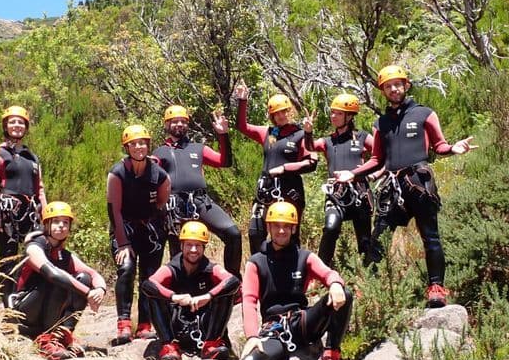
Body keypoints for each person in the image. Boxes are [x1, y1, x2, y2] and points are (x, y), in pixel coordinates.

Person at [334, 65, 477, 307]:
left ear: (406, 85)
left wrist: (454, 149)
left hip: (419, 182)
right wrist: (353, 174)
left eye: (397, 84)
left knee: (430, 236)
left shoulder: (424, 114)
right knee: (378, 236)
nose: (393, 89)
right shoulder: (381, 123)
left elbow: (439, 146)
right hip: (393, 185)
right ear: (383, 91)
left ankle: (436, 288)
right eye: (388, 86)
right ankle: (370, 286)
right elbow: (377, 160)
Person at [238, 202, 353, 360]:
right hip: (275, 331)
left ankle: (330, 357)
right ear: (268, 227)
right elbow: (248, 300)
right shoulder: (256, 262)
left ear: (293, 229)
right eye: (277, 226)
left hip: (302, 323)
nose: (281, 231)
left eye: (286, 227)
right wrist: (251, 336)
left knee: (345, 294)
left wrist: (334, 283)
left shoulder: (304, 256)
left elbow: (326, 272)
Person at [9, 201, 107, 360]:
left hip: (40, 310)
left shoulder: (63, 254)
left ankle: (62, 335)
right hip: (23, 313)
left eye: (65, 222)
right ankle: (45, 340)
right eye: (56, 221)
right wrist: (87, 293)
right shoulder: (34, 247)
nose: (61, 226)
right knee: (60, 279)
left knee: (84, 278)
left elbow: (92, 274)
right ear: (46, 224)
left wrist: (99, 290)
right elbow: (52, 273)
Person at [153, 104, 242, 277]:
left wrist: (223, 135)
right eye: (174, 121)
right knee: (179, 254)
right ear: (166, 125)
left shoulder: (198, 148)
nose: (179, 124)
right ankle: (180, 292)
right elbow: (149, 174)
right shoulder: (160, 152)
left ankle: (233, 284)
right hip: (175, 207)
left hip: (201, 202)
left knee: (233, 234)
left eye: (183, 121)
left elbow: (224, 161)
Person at [142, 221, 240, 360]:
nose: (193, 250)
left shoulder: (209, 268)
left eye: (198, 245)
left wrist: (208, 296)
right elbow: (148, 285)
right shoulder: (172, 268)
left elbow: (233, 281)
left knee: (225, 293)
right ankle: (169, 347)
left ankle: (212, 345)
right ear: (181, 246)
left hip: (205, 326)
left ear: (203, 248)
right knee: (154, 295)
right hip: (178, 325)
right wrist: (174, 297)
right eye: (189, 245)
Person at [233, 81, 317, 254]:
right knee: (256, 232)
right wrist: (242, 101)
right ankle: (261, 269)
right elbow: (242, 126)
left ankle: (292, 274)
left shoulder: (301, 134)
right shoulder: (268, 133)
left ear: (290, 111)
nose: (281, 116)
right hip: (266, 190)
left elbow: (311, 162)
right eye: (276, 113)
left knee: (289, 237)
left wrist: (285, 168)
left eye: (284, 111)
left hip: (289, 191)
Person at [107, 124, 170, 344]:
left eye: (142, 142)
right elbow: (113, 209)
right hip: (124, 227)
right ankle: (124, 323)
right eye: (133, 144)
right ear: (127, 147)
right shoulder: (118, 173)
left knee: (149, 275)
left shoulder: (158, 173)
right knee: (126, 269)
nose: (138, 147)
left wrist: (153, 222)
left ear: (148, 144)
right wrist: (123, 243)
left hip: (150, 228)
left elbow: (162, 201)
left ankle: (145, 324)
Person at [303, 93, 381, 268]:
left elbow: (382, 156)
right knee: (330, 228)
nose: (333, 116)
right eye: (332, 112)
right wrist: (308, 132)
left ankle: (368, 277)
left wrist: (372, 175)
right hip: (336, 194)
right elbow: (309, 147)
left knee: (364, 240)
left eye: (338, 113)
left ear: (350, 115)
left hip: (359, 192)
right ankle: (321, 271)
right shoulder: (328, 141)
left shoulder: (362, 137)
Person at [0, 105, 47, 299]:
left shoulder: (32, 157)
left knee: (35, 256)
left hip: (30, 213)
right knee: (8, 260)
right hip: (7, 213)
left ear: (26, 127)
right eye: (12, 122)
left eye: (21, 122)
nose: (17, 125)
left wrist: (47, 217)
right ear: (5, 126)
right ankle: (8, 308)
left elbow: (40, 189)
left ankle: (27, 301)